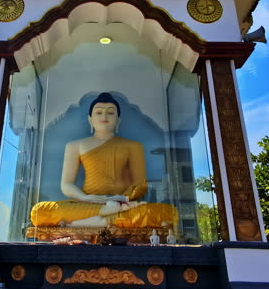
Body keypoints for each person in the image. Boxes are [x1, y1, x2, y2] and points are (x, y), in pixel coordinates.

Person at [30, 92, 178, 228]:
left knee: (165, 212)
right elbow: (66, 184)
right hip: (87, 205)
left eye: (111, 112)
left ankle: (81, 223)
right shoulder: (74, 146)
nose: (104, 116)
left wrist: (121, 200)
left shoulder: (133, 146)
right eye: (99, 112)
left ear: (118, 120)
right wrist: (85, 198)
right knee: (41, 211)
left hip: (121, 205)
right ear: (90, 119)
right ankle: (105, 218)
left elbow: (140, 184)